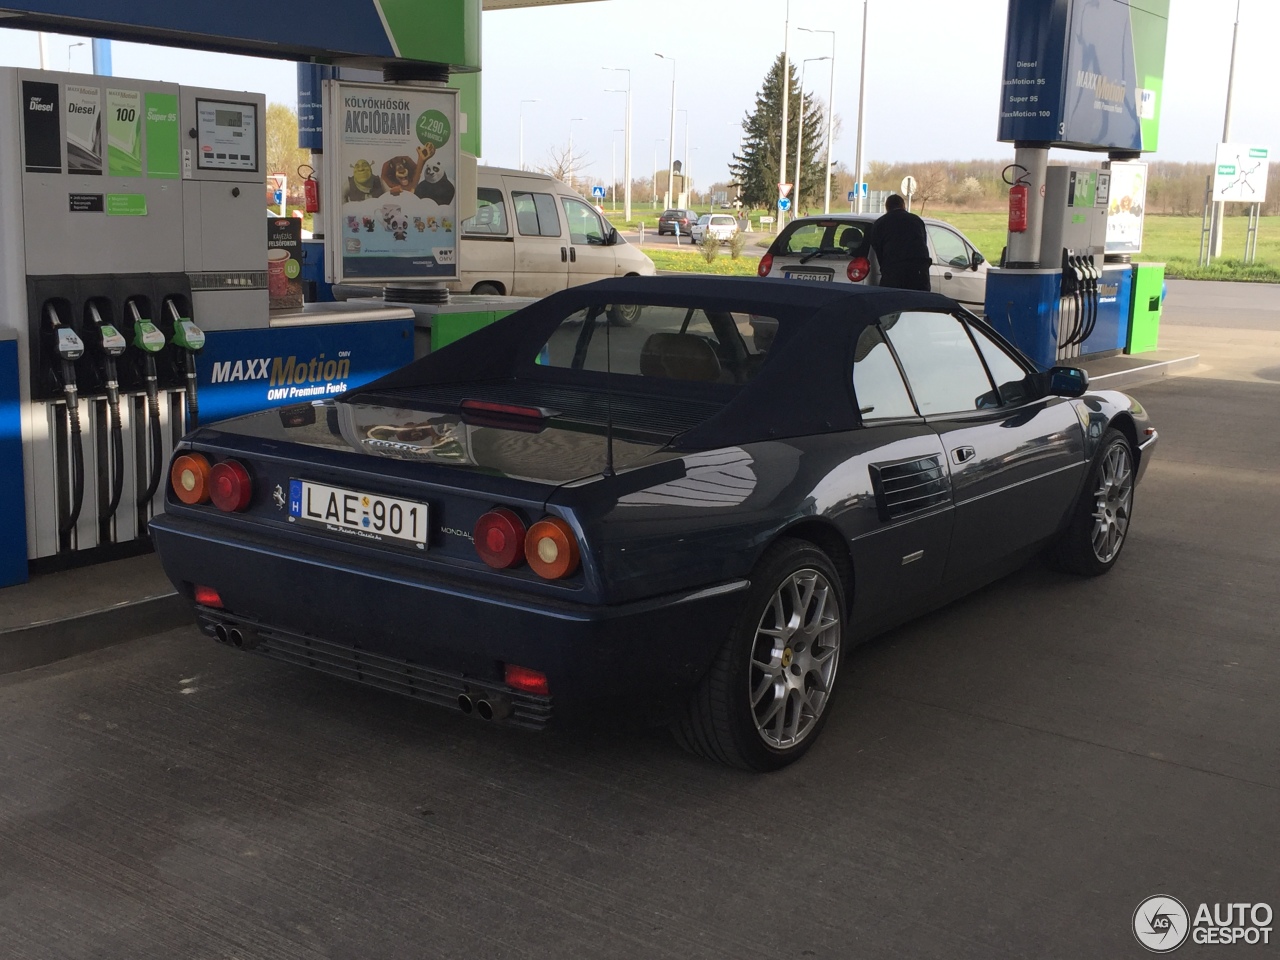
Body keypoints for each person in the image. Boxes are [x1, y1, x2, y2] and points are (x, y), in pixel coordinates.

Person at [860, 194, 931, 291]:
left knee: (893, 302)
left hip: (893, 272)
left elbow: (877, 248)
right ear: (903, 205)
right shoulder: (916, 221)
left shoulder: (880, 223)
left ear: (887, 208)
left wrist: (886, 267)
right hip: (918, 273)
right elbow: (923, 243)